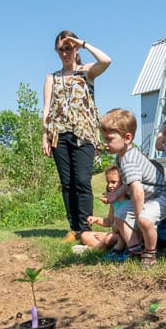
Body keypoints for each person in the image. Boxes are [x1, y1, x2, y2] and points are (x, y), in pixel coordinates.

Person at [42, 31, 111, 243]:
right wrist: (45, 136)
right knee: (68, 183)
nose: (65, 52)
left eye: (69, 48)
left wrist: (83, 43)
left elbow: (106, 60)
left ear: (76, 49)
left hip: (84, 134)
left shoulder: (87, 72)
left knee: (82, 180)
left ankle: (85, 228)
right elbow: (46, 108)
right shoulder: (51, 78)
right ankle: (74, 228)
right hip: (59, 135)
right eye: (61, 49)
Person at [98, 109, 166, 269]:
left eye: (109, 139)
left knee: (145, 220)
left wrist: (139, 215)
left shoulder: (130, 161)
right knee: (119, 216)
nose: (104, 143)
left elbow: (137, 191)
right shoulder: (121, 157)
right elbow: (128, 184)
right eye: (103, 138)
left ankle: (150, 254)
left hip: (161, 197)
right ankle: (134, 250)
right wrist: (116, 195)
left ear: (127, 138)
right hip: (147, 197)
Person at [75, 165, 128, 254]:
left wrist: (112, 234)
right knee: (84, 235)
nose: (110, 185)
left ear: (123, 183)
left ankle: (97, 248)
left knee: (108, 238)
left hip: (124, 235)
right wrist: (96, 219)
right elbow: (110, 221)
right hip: (114, 235)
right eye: (108, 182)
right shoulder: (113, 202)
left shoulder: (128, 202)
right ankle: (102, 246)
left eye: (113, 182)